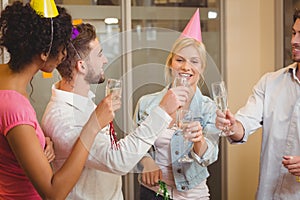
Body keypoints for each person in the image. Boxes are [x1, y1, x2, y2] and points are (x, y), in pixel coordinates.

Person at [41, 23, 189, 199]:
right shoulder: (63, 119)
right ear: (81, 66)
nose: (104, 60)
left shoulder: (85, 101)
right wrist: (162, 111)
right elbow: (118, 160)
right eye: (100, 54)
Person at [0, 1, 120, 199]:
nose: (64, 55)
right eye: (63, 48)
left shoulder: (6, 80)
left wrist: (36, 141)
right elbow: (53, 193)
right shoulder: (14, 106)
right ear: (45, 53)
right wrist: (93, 125)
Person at [134, 10, 220, 199]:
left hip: (193, 194)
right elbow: (134, 147)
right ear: (170, 64)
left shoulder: (208, 108)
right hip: (153, 193)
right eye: (179, 60)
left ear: (202, 68)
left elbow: (210, 156)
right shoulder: (146, 104)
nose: (186, 67)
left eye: (194, 61)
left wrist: (199, 140)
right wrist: (146, 161)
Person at [215, 9, 300, 200]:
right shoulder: (270, 82)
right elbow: (243, 125)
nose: (294, 41)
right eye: (294, 33)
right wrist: (232, 125)